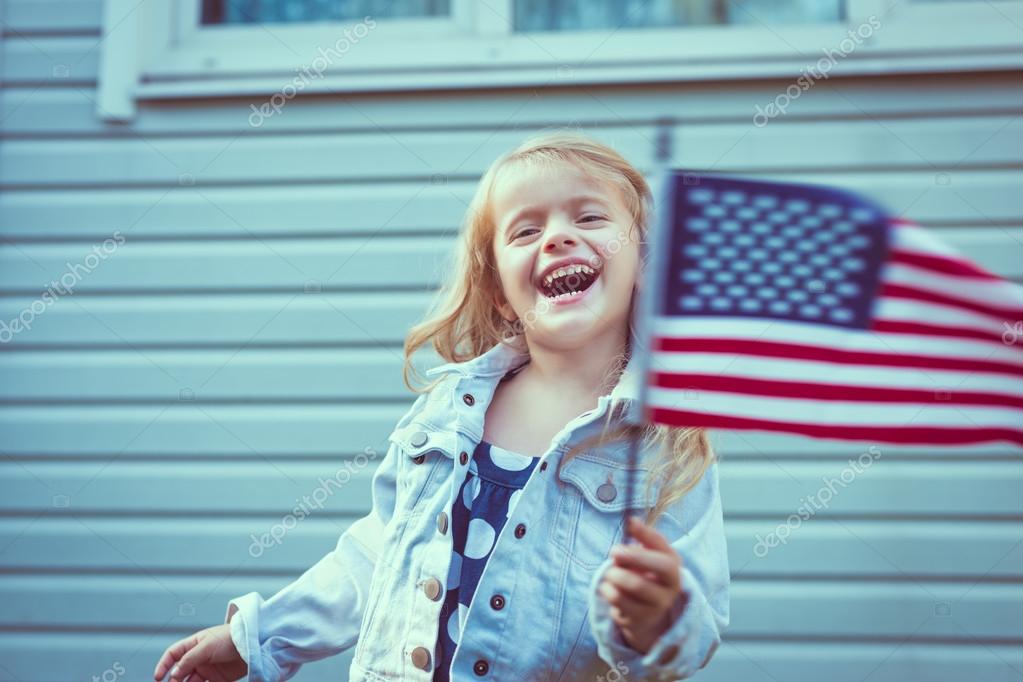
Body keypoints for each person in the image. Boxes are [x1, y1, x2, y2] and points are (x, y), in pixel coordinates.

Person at [153, 131, 729, 682]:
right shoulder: (448, 412)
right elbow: (376, 557)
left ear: (641, 269)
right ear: (502, 295)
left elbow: (698, 628)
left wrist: (658, 619)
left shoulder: (664, 444)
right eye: (525, 231)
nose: (556, 236)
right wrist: (258, 638)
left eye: (589, 217)